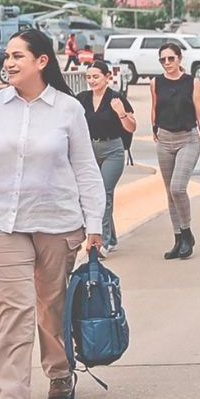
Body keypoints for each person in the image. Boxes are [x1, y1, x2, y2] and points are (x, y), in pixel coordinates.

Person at [0, 29, 105, 399]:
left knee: (50, 303)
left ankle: (59, 369)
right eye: (7, 56)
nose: (8, 63)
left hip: (57, 221)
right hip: (3, 222)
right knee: (15, 309)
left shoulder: (68, 109)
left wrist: (95, 224)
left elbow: (86, 170)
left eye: (18, 56)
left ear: (42, 61)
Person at [151, 42, 200, 260]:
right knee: (169, 192)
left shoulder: (192, 83)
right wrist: (154, 128)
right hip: (165, 140)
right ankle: (178, 239)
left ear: (179, 59)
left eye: (171, 59)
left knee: (178, 187)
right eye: (163, 60)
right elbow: (155, 106)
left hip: (188, 139)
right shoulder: (155, 82)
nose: (167, 63)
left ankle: (187, 233)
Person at [78, 60, 136, 255]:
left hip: (113, 149)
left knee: (103, 193)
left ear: (107, 77)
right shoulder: (83, 99)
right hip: (90, 150)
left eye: (96, 77)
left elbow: (131, 127)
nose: (92, 81)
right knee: (96, 194)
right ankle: (111, 237)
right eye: (89, 77)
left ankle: (100, 242)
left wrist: (120, 113)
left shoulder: (116, 98)